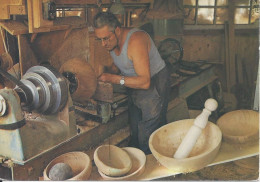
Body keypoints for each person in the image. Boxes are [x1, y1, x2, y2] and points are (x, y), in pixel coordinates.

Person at [93, 11, 170, 154]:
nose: (103, 44)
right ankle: (140, 157)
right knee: (135, 127)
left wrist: (113, 78)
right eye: (100, 40)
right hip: (133, 84)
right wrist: (106, 71)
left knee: (149, 130)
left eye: (106, 38)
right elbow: (121, 63)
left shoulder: (136, 41)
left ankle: (153, 166)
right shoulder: (112, 42)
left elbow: (145, 82)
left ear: (117, 30)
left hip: (154, 81)